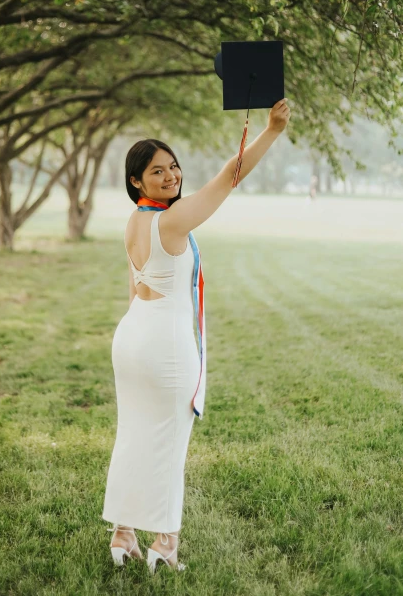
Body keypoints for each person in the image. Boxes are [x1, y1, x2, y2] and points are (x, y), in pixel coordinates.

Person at [102, 98, 291, 572]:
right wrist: (270, 131)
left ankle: (123, 534)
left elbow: (134, 287)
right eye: (157, 172)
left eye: (173, 167)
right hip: (164, 343)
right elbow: (229, 177)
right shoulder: (171, 219)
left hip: (131, 337)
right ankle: (165, 545)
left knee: (134, 435)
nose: (171, 177)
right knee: (167, 442)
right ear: (136, 182)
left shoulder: (137, 221)